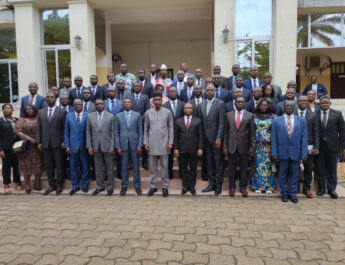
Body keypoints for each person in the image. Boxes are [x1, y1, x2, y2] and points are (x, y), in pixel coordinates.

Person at [271, 101, 308, 203]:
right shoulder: (276, 121)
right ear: (284, 107)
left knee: (295, 175)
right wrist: (274, 153)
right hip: (281, 153)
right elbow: (273, 138)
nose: (290, 107)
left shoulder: (301, 120)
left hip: (296, 153)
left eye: (292, 106)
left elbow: (304, 139)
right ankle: (284, 194)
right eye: (288, 106)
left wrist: (304, 153)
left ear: (294, 107)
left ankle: (292, 194)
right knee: (282, 174)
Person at [223, 97, 256, 197]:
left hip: (244, 146)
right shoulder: (228, 115)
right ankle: (231, 188)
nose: (240, 103)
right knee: (231, 169)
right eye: (238, 102)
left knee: (244, 169)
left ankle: (243, 188)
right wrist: (224, 146)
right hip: (231, 145)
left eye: (242, 102)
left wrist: (252, 147)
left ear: (245, 103)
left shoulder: (250, 115)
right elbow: (225, 133)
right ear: (235, 103)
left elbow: (252, 133)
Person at [36, 92, 67, 195]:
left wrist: (63, 141)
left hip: (58, 143)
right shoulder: (41, 112)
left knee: (59, 165)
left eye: (52, 97)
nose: (50, 98)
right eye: (48, 97)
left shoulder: (62, 112)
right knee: (49, 165)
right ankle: (51, 185)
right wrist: (38, 141)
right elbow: (39, 128)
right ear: (46, 99)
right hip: (45, 143)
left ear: (56, 99)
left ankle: (59, 185)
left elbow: (64, 128)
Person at [144, 93, 174, 197]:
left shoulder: (167, 112)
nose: (157, 101)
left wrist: (170, 142)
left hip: (164, 144)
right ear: (152, 101)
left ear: (162, 101)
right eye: (155, 100)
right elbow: (146, 129)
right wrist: (145, 143)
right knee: (153, 168)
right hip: (151, 144)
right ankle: (153, 187)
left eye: (159, 100)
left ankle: (165, 187)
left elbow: (170, 128)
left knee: (165, 167)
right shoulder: (148, 113)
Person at [316, 96, 345, 199]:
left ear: (330, 104)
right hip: (319, 147)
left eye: (326, 103)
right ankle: (321, 189)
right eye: (322, 103)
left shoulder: (337, 114)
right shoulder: (315, 114)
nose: (324, 104)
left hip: (333, 147)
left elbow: (342, 131)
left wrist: (342, 146)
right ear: (319, 104)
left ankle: (332, 189)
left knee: (332, 169)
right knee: (321, 169)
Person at [86, 99, 115, 196]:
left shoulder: (110, 116)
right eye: (97, 104)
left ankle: (110, 185)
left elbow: (112, 132)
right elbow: (88, 132)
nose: (99, 105)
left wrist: (112, 145)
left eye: (101, 104)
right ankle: (100, 185)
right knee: (98, 167)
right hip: (95, 146)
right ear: (95, 105)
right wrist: (89, 146)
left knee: (109, 167)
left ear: (104, 105)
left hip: (107, 146)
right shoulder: (90, 116)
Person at [200, 84, 226, 195]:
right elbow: (201, 122)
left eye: (211, 90)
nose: (209, 92)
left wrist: (219, 138)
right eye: (208, 90)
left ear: (215, 91)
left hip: (216, 140)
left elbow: (221, 123)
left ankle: (218, 185)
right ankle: (212, 184)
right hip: (205, 139)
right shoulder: (202, 104)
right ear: (205, 92)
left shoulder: (220, 104)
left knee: (218, 163)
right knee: (209, 163)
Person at [115, 98, 143, 195]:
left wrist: (140, 145)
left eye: (129, 102)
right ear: (123, 105)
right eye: (125, 102)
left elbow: (140, 131)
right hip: (123, 145)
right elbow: (116, 132)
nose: (127, 104)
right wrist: (118, 146)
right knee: (123, 166)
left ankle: (137, 185)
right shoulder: (118, 116)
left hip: (135, 144)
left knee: (136, 166)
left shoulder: (137, 115)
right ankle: (124, 185)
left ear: (131, 104)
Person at [174, 103, 203, 195]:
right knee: (183, 168)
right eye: (186, 108)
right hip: (182, 149)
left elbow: (201, 136)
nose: (188, 109)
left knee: (193, 168)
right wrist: (175, 149)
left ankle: (192, 186)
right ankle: (185, 185)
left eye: (190, 108)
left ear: (192, 110)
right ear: (183, 110)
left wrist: (200, 148)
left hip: (194, 149)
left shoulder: (198, 121)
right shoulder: (178, 121)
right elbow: (175, 136)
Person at [249, 99, 277, 193]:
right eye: (262, 105)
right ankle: (257, 186)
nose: (263, 107)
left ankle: (268, 186)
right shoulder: (253, 116)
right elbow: (251, 132)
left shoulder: (273, 116)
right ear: (258, 106)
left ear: (268, 106)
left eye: (265, 105)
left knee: (268, 166)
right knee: (257, 166)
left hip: (268, 146)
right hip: (257, 146)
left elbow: (275, 132)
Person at [14, 105, 43, 194]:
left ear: (34, 110)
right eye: (27, 109)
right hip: (26, 147)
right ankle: (27, 185)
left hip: (38, 146)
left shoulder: (39, 118)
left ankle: (37, 184)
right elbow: (17, 131)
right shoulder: (21, 120)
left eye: (30, 109)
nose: (29, 110)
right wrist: (30, 139)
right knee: (27, 167)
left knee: (38, 165)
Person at [295, 95, 319, 198]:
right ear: (297, 102)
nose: (303, 102)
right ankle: (296, 187)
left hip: (309, 146)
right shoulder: (292, 113)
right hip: (294, 145)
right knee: (294, 167)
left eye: (305, 100)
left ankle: (307, 188)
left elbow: (316, 133)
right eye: (301, 100)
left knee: (308, 168)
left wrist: (316, 147)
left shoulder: (313, 115)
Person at [64, 99, 90, 195]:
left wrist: (89, 145)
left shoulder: (88, 115)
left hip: (84, 146)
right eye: (76, 104)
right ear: (73, 106)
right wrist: (67, 146)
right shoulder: (69, 116)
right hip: (73, 146)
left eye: (80, 104)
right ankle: (75, 186)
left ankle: (85, 185)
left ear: (83, 105)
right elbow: (66, 133)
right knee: (73, 167)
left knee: (85, 166)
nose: (78, 106)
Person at [163, 87, 185, 179]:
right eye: (171, 91)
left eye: (174, 91)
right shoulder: (164, 106)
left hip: (181, 135)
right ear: (168, 93)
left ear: (177, 93)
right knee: (169, 157)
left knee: (182, 157)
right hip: (168, 135)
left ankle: (182, 174)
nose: (173, 93)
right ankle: (169, 174)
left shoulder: (183, 104)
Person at [0, 104, 21, 194]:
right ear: (2, 110)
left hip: (16, 148)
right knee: (6, 167)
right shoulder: (1, 121)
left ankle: (17, 183)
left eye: (9, 108)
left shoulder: (17, 120)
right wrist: (0, 150)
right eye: (6, 108)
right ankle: (6, 185)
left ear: (12, 110)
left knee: (17, 166)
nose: (8, 110)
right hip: (5, 148)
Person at [129, 82, 150, 169]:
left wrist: (140, 118)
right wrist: (135, 118)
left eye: (138, 86)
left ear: (141, 88)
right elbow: (127, 108)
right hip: (132, 122)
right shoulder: (129, 97)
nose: (137, 87)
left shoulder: (145, 97)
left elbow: (147, 109)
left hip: (143, 122)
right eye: (135, 86)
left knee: (144, 141)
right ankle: (132, 163)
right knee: (132, 142)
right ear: (133, 87)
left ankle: (145, 162)